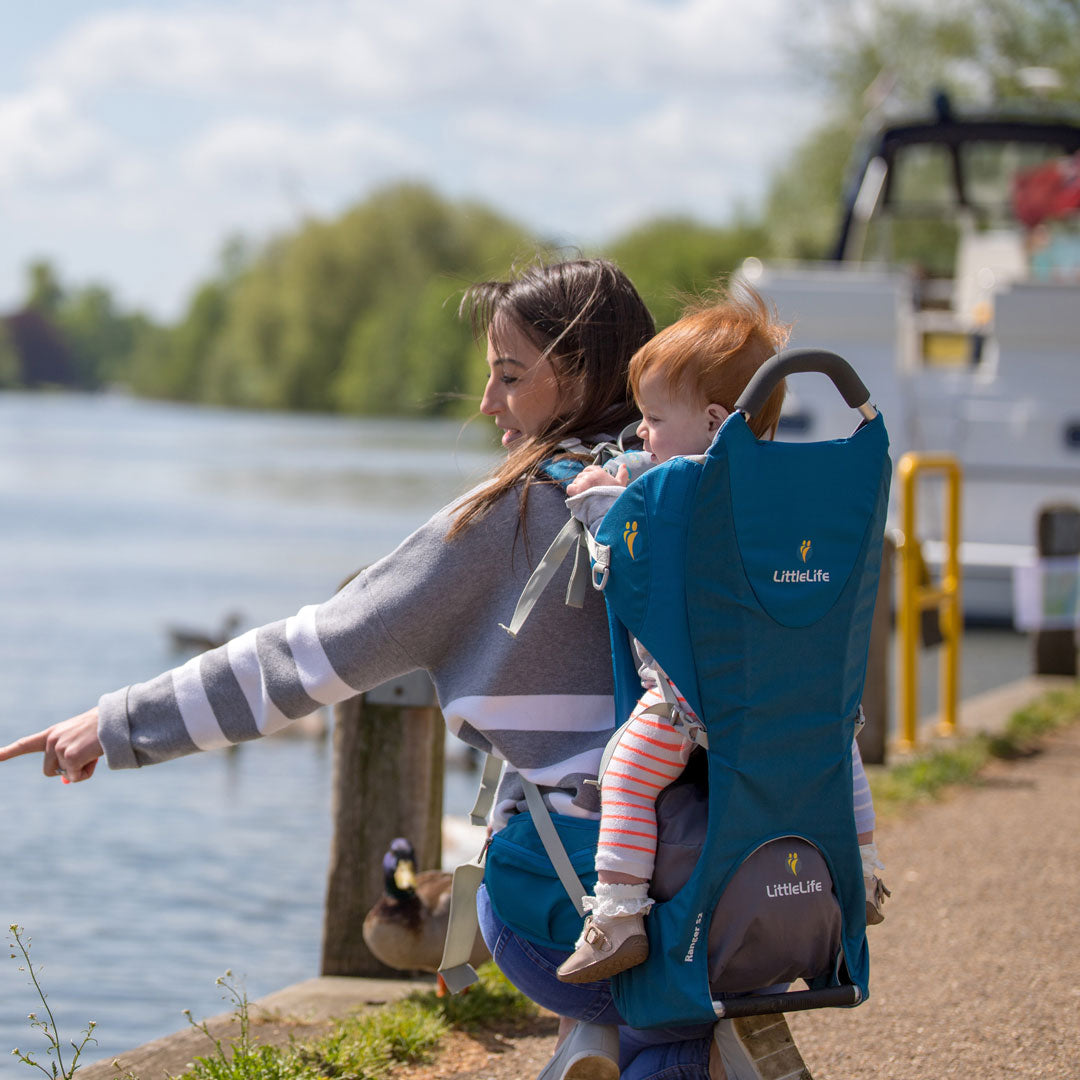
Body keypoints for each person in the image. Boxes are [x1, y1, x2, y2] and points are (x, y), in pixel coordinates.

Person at [0, 258, 740, 1080]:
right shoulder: (724, 498)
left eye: (508, 376)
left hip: (585, 912)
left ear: (577, 375)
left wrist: (117, 724)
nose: (489, 403)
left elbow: (307, 658)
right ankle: (645, 1034)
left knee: (538, 914)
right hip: (757, 886)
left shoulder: (516, 519)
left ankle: (614, 1030)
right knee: (676, 1017)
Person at [552, 286, 888, 987]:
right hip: (802, 697)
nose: (640, 434)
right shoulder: (793, 485)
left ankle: (616, 916)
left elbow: (625, 530)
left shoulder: (683, 488)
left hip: (697, 700)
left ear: (710, 420)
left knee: (627, 774)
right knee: (838, 753)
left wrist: (592, 497)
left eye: (650, 418)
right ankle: (864, 871)